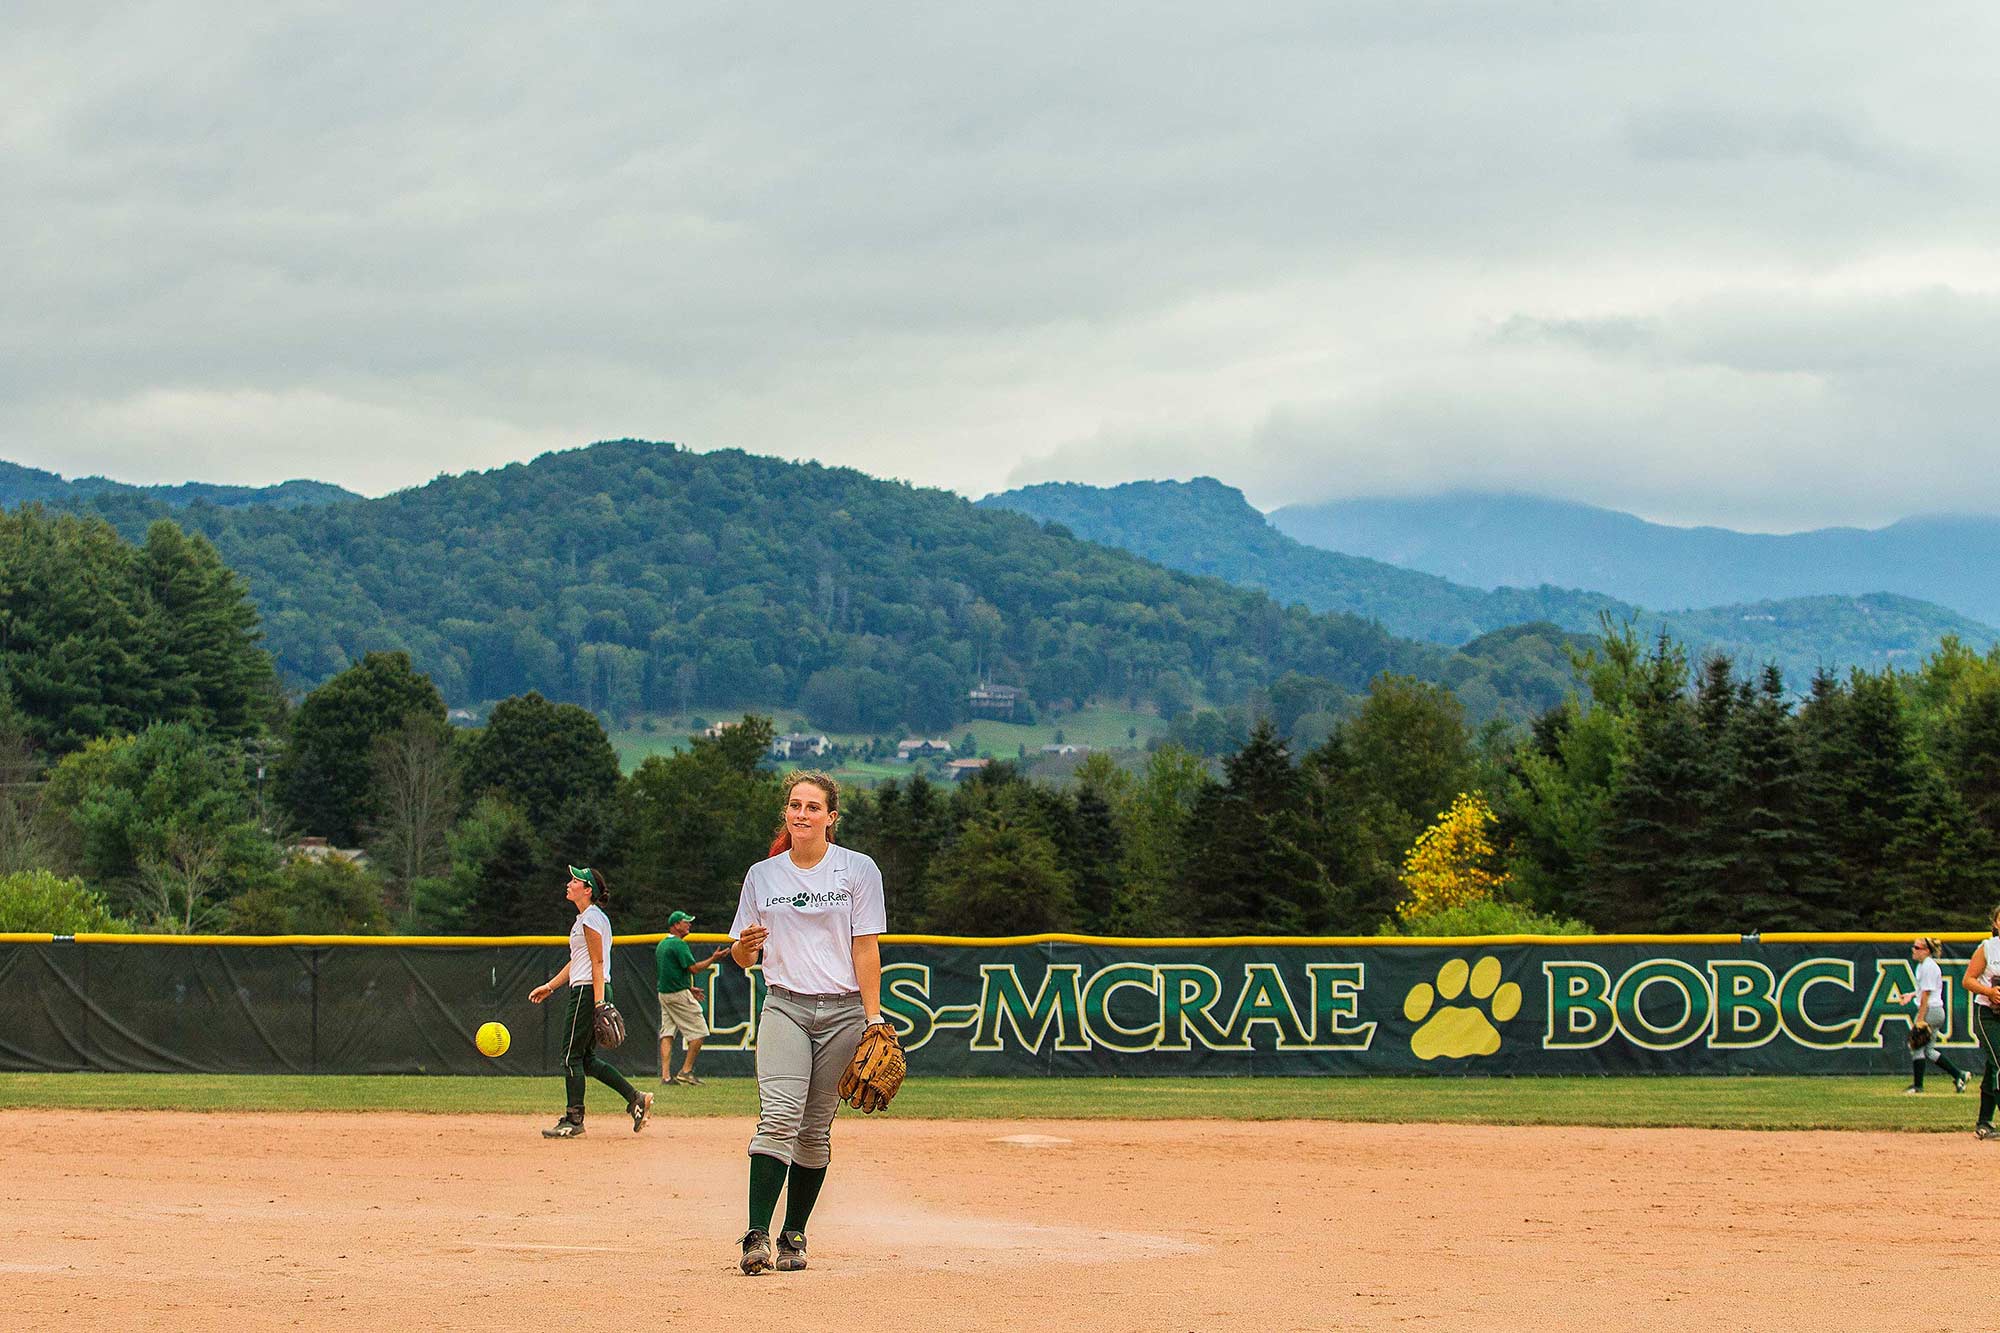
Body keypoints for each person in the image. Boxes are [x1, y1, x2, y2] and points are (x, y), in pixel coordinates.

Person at [728, 770, 887, 1275]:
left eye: (813, 807)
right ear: (787, 813)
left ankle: (794, 1233)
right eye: (795, 805)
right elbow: (742, 957)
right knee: (778, 1116)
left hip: (842, 1012)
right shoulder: (763, 875)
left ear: (831, 817)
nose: (802, 814)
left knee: (814, 1129)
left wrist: (873, 1018)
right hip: (785, 1005)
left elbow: (865, 948)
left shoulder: (857, 871)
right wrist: (743, 949)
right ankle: (756, 1237)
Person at [529, 866, 653, 1138]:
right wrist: (550, 986)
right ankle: (635, 1098)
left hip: (588, 992)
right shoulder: (588, 917)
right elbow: (579, 961)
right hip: (590, 988)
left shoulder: (591, 918)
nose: (569, 883)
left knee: (570, 1055)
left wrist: (598, 1003)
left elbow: (597, 961)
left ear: (588, 890)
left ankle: (574, 1120)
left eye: (575, 880)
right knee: (585, 1060)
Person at [656, 909, 730, 1086]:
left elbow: (669, 972)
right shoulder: (678, 945)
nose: (689, 924)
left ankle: (666, 1076)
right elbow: (694, 968)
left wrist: (689, 987)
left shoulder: (662, 944)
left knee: (667, 1032)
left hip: (665, 994)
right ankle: (686, 1071)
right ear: (676, 925)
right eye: (685, 922)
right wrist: (713, 958)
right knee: (699, 1031)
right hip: (677, 996)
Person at [1891, 936, 1967, 1094]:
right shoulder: (1923, 966)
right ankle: (1959, 1075)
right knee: (1929, 1050)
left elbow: (1926, 995)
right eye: (1913, 946)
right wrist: (1912, 995)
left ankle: (1918, 1086)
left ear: (1926, 951)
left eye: (1917, 947)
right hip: (1935, 1010)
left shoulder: (1928, 967)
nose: (1913, 950)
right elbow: (1923, 991)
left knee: (1917, 1047)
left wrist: (1919, 1019)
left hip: (1930, 1011)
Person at [1962, 906, 2000, 1138]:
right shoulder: (1988, 948)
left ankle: (1984, 1122)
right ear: (1995, 923)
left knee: (1992, 1065)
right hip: (1987, 1014)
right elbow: (1968, 980)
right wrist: (1989, 991)